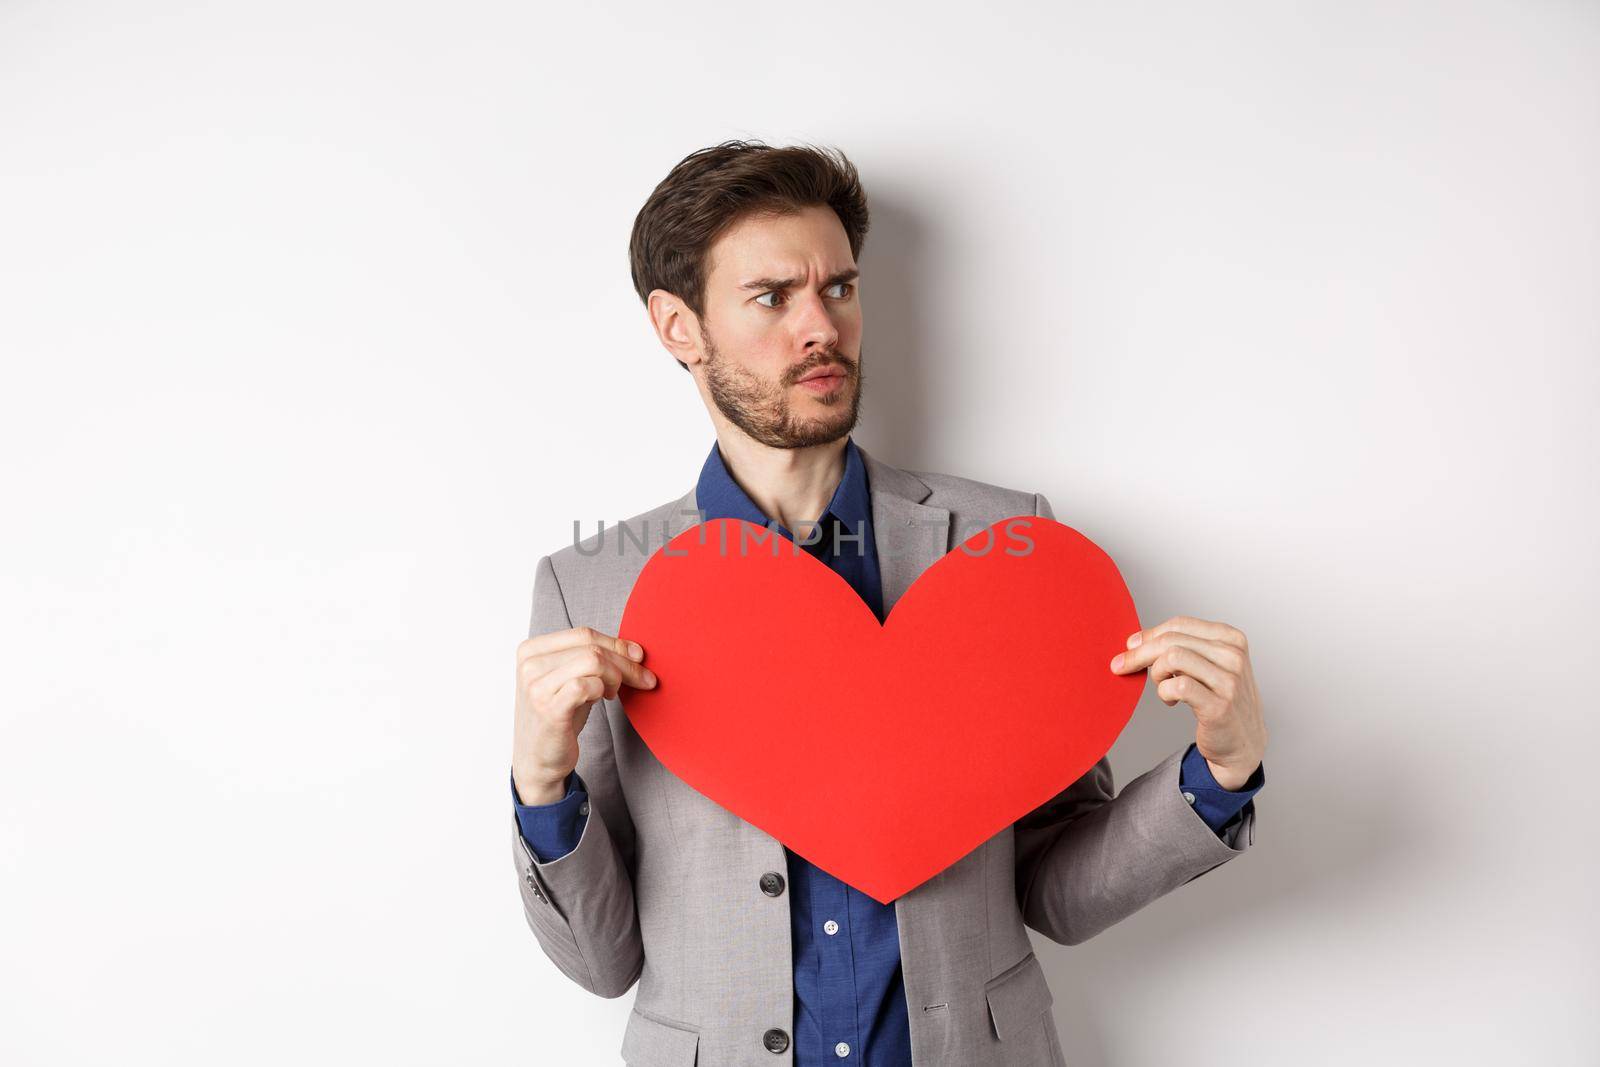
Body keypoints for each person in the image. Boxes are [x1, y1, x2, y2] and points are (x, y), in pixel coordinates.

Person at [509, 140, 1268, 1067]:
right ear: (679, 328)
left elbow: (1054, 885)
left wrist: (1216, 774)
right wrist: (542, 787)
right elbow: (602, 960)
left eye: (839, 288)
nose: (820, 326)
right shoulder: (591, 586)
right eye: (771, 297)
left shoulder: (1009, 546)